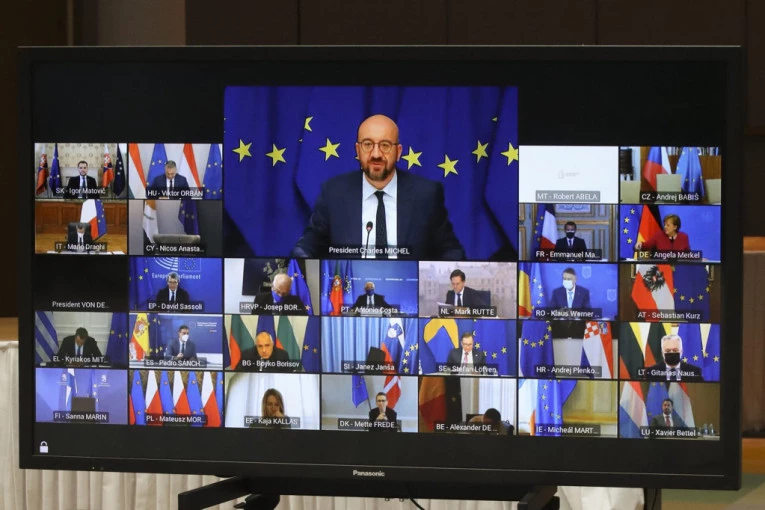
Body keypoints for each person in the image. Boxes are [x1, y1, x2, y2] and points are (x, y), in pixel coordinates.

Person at [291, 114, 465, 261]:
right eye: (368, 144)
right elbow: (307, 246)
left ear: (398, 151)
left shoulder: (426, 194)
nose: (376, 154)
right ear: (358, 150)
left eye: (385, 145)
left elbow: (451, 251)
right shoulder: (333, 193)